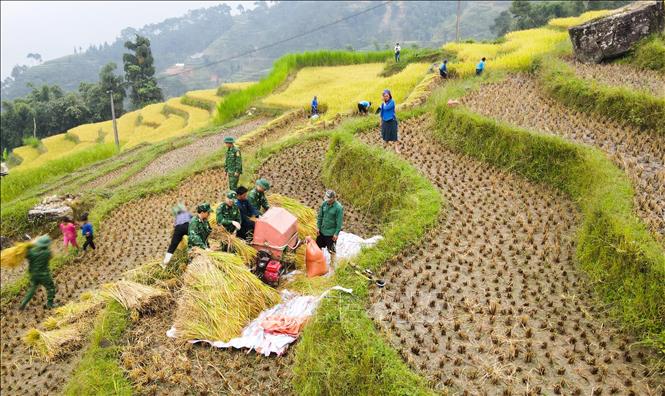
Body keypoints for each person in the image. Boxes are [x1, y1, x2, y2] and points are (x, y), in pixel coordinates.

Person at [19, 235, 57, 310]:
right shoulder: (47, 252)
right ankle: (50, 304)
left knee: (32, 289)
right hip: (44, 274)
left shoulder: (32, 251)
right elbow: (52, 256)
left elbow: (26, 253)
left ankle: (23, 304)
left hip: (33, 274)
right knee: (50, 287)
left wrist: (28, 245)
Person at [316, 190, 343, 260]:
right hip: (322, 230)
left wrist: (336, 234)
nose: (327, 201)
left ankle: (332, 264)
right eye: (327, 199)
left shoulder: (338, 208)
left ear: (333, 198)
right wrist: (318, 227)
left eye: (329, 200)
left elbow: (339, 223)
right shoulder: (324, 204)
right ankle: (319, 260)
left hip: (331, 233)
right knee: (318, 247)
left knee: (331, 250)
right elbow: (320, 216)